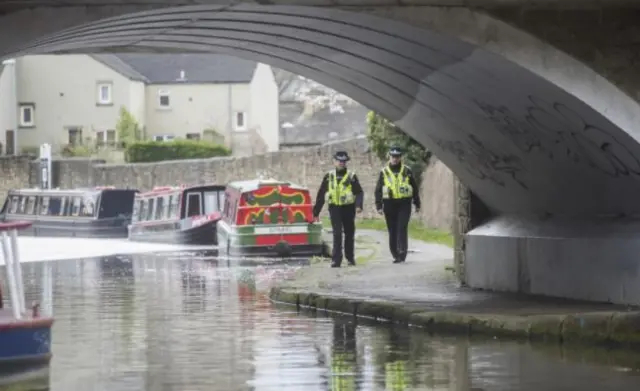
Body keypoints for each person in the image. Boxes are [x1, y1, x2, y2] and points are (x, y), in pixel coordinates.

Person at [313, 150, 364, 268]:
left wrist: (358, 205)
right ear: (334, 162)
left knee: (349, 232)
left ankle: (350, 258)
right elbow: (321, 194)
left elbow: (359, 192)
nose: (341, 163)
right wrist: (316, 212)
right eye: (339, 161)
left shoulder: (351, 176)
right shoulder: (329, 176)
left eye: (343, 161)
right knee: (337, 233)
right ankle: (336, 260)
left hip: (348, 207)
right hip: (334, 207)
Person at [374, 145, 421, 264]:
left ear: (401, 157)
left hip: (404, 204)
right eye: (393, 156)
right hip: (389, 204)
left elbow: (414, 188)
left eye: (397, 157)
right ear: (389, 157)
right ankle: (395, 253)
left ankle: (402, 253)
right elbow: (378, 190)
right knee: (392, 230)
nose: (395, 159)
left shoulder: (407, 171)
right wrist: (379, 205)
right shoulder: (384, 172)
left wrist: (417, 203)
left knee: (402, 227)